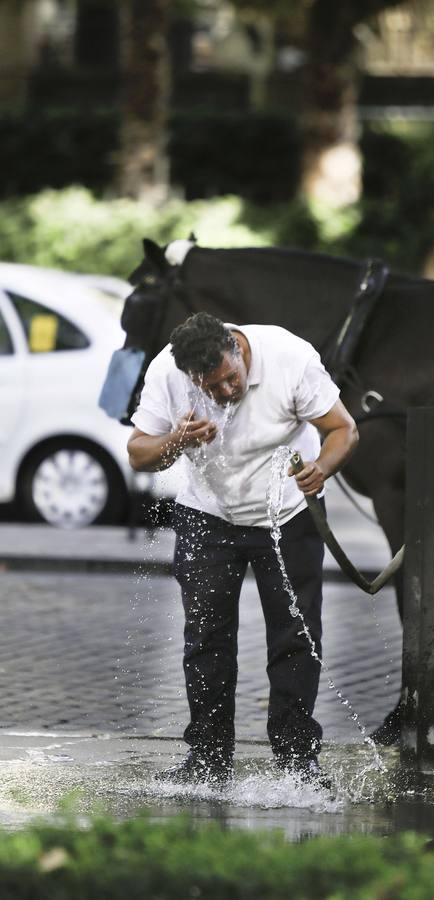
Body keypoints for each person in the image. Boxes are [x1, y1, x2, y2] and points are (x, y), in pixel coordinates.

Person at [127, 312, 358, 786]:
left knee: (296, 636)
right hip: (207, 514)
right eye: (212, 388)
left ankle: (298, 761)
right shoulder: (166, 372)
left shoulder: (288, 357)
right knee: (207, 638)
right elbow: (138, 453)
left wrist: (322, 468)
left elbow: (344, 430)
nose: (226, 392)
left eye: (231, 379)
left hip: (288, 513)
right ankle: (208, 758)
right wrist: (177, 440)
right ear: (192, 377)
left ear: (237, 348)